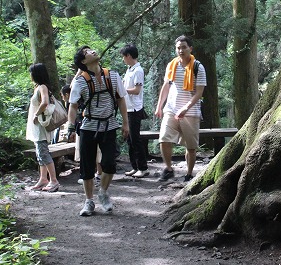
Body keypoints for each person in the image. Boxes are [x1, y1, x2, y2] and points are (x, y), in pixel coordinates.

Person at [68, 46, 129, 216]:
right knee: (87, 166)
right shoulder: (80, 82)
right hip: (88, 127)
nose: (92, 51)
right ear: (83, 61)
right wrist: (71, 127)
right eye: (87, 51)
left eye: (91, 49)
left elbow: (121, 100)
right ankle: (88, 201)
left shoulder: (113, 76)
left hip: (109, 125)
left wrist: (125, 123)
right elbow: (72, 106)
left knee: (109, 163)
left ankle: (103, 192)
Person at [154, 35, 207, 182]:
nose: (181, 50)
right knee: (164, 138)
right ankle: (169, 169)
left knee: (190, 147)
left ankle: (189, 175)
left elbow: (199, 93)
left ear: (190, 48)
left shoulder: (198, 67)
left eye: (184, 47)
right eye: (178, 48)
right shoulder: (172, 65)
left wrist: (186, 107)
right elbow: (166, 86)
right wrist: (159, 106)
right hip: (171, 109)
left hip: (191, 112)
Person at [26, 63, 60, 192]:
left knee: (43, 152)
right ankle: (43, 179)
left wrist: (36, 114)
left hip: (41, 126)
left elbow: (45, 102)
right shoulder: (38, 87)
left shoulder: (42, 87)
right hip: (37, 127)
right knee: (39, 153)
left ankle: (54, 180)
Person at [120, 44, 149, 178]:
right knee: (130, 139)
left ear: (129, 56)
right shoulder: (129, 70)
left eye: (124, 57)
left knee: (135, 138)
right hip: (128, 108)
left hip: (135, 109)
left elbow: (137, 91)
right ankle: (135, 166)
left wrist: (122, 91)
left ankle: (143, 168)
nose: (123, 60)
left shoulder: (138, 70)